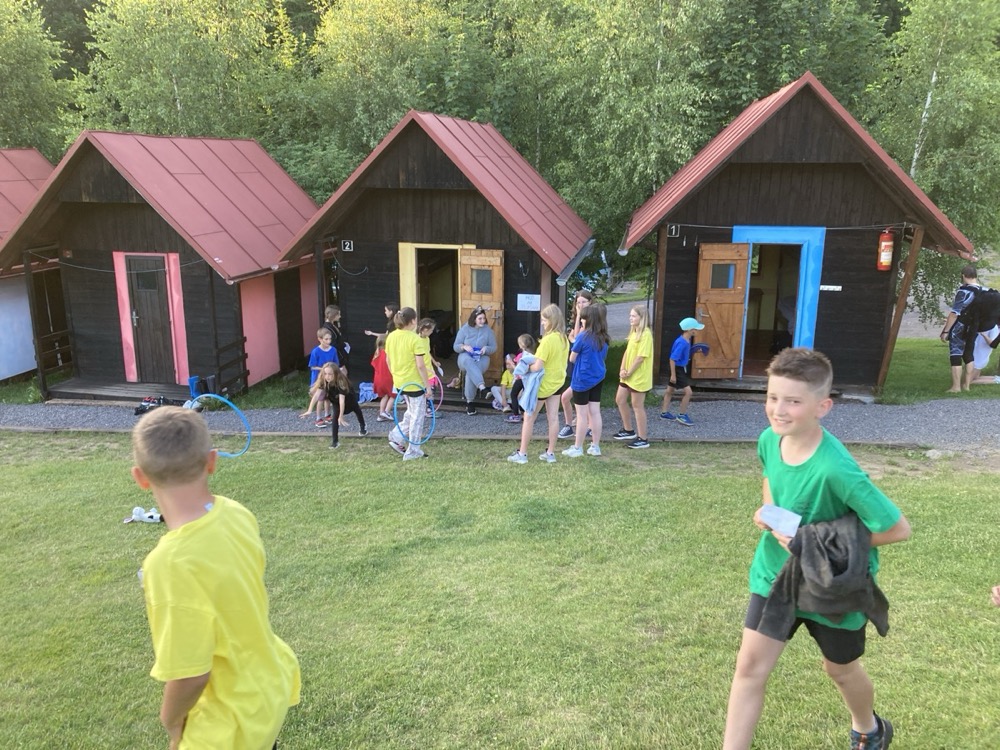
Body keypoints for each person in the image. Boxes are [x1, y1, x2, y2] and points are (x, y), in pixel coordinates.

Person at [722, 348, 911, 750]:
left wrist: (820, 541)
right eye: (773, 397)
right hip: (776, 576)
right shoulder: (770, 440)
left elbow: (897, 529)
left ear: (822, 406)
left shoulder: (835, 469)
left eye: (793, 401)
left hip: (832, 585)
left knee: (840, 670)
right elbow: (770, 478)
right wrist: (770, 511)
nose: (779, 410)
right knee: (749, 669)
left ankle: (869, 728)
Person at [131, 407, 300, 750]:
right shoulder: (236, 513)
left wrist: (171, 722)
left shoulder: (168, 564)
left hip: (226, 726)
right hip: (266, 693)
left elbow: (191, 674)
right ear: (212, 461)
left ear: (141, 478)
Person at [507, 304, 569, 464]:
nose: (542, 323)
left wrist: (524, 366)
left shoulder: (547, 341)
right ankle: (550, 453)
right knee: (553, 418)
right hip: (558, 383)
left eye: (544, 320)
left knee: (529, 418)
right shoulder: (564, 339)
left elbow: (537, 367)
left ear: (552, 320)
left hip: (542, 386)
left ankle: (522, 454)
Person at [562, 303, 609, 458]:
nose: (581, 321)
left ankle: (578, 447)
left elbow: (572, 358)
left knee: (581, 414)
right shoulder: (603, 337)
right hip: (598, 377)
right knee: (595, 412)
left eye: (583, 319)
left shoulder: (583, 336)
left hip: (582, 379)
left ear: (589, 320)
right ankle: (595, 446)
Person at [385, 307, 432, 460]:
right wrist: (428, 386)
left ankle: (396, 436)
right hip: (415, 384)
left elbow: (388, 360)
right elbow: (420, 365)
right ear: (412, 321)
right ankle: (413, 451)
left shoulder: (391, 336)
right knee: (417, 417)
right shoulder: (415, 339)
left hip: (400, 383)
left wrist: (396, 376)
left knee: (412, 412)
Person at [613, 305, 654, 449]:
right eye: (630, 315)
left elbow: (641, 357)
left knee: (637, 406)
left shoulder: (646, 334)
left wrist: (629, 371)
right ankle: (628, 430)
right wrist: (622, 369)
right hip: (627, 375)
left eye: (633, 316)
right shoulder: (634, 332)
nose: (630, 318)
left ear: (641, 318)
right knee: (620, 399)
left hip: (638, 376)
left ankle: (643, 438)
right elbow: (627, 352)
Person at [940, 265, 984, 392]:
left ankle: (956, 387)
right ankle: (967, 385)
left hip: (960, 327)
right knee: (969, 355)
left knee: (956, 354)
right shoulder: (982, 291)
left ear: (963, 276)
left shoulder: (963, 292)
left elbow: (955, 313)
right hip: (973, 327)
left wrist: (946, 331)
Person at [559, 290, 593, 439]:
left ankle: (587, 426)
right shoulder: (579, 318)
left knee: (584, 400)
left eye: (584, 302)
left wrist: (574, 338)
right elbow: (572, 336)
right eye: (578, 302)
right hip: (577, 363)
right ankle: (571, 425)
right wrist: (578, 316)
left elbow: (577, 337)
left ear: (590, 302)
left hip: (584, 365)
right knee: (569, 398)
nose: (580, 305)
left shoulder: (591, 320)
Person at [660, 316, 704, 427]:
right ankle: (682, 415)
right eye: (695, 328)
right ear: (690, 330)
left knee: (670, 390)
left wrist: (694, 351)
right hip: (678, 370)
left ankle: (664, 413)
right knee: (688, 392)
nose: (697, 330)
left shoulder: (686, 340)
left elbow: (683, 354)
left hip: (677, 368)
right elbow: (672, 359)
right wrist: (673, 375)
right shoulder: (682, 343)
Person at [453, 307, 498, 415]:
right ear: (474, 319)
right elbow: (455, 346)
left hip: (481, 358)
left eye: (484, 318)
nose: (483, 321)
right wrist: (463, 346)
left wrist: (486, 349)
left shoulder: (488, 331)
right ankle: (482, 388)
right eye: (480, 319)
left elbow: (494, 347)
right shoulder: (465, 329)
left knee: (471, 372)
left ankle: (470, 403)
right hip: (465, 357)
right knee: (469, 363)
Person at [319, 362, 368, 448]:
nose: (327, 376)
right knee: (335, 419)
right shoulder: (324, 382)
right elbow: (317, 396)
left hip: (349, 400)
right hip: (335, 402)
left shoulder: (341, 382)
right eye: (325, 374)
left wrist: (341, 416)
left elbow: (342, 401)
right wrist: (309, 410)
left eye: (330, 374)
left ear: (335, 374)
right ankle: (335, 442)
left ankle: (363, 427)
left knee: (357, 410)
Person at [307, 328, 339, 425]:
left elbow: (336, 364)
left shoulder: (333, 350)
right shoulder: (315, 351)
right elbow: (312, 366)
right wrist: (324, 369)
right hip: (319, 378)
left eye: (330, 339)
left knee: (328, 397)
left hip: (329, 378)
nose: (329, 341)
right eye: (326, 339)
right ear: (320, 339)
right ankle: (318, 418)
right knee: (320, 398)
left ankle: (327, 414)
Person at [505, 334, 537, 424]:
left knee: (513, 395)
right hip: (529, 379)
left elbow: (519, 370)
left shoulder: (521, 355)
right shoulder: (533, 354)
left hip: (521, 379)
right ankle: (526, 415)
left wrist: (511, 363)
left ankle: (516, 414)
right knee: (526, 396)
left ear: (521, 345)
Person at [322, 304, 350, 373]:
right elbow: (332, 345)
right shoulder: (328, 328)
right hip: (336, 357)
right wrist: (344, 345)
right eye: (338, 314)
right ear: (333, 315)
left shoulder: (332, 325)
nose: (340, 316)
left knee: (344, 373)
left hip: (338, 356)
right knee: (342, 374)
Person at [371, 333, 394, 422]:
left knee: (384, 396)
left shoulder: (377, 353)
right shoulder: (388, 353)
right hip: (388, 378)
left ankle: (381, 414)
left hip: (378, 379)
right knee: (394, 395)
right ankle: (386, 412)